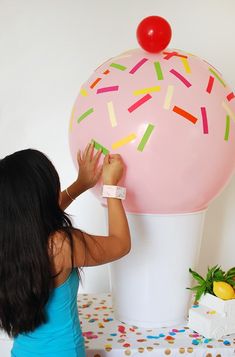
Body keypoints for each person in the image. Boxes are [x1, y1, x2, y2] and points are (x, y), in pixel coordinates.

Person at [0, 142, 131, 357]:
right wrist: (111, 185)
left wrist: (81, 184)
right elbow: (121, 243)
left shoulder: (9, 240)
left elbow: (34, 216)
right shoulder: (60, 245)